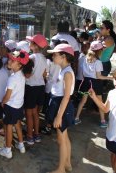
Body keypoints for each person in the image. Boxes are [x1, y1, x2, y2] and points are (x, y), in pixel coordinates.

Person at [0, 49, 33, 158]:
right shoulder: (22, 75)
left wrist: (2, 102)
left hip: (10, 106)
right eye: (10, 59)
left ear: (19, 65)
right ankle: (21, 145)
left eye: (12, 61)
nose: (9, 61)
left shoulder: (12, 78)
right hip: (19, 105)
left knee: (8, 127)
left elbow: (7, 96)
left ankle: (8, 150)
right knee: (17, 124)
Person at [47, 44, 75, 173]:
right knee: (64, 137)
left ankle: (61, 169)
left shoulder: (67, 73)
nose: (53, 56)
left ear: (63, 57)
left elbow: (66, 97)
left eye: (55, 54)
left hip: (62, 107)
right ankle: (67, 164)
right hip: (59, 104)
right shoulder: (63, 70)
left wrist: (59, 116)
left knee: (61, 139)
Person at [74, 40, 112, 128]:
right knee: (100, 102)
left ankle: (76, 118)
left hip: (86, 82)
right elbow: (99, 76)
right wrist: (110, 78)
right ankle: (102, 121)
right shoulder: (98, 62)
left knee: (83, 101)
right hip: (96, 83)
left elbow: (83, 73)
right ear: (99, 51)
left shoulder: (85, 59)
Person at [24, 34, 48, 144]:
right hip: (40, 87)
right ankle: (37, 134)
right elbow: (44, 74)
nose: (29, 44)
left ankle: (29, 136)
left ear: (35, 45)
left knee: (29, 113)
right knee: (35, 113)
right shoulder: (44, 58)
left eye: (31, 42)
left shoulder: (31, 58)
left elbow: (28, 75)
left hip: (31, 88)